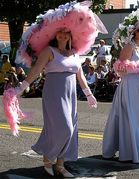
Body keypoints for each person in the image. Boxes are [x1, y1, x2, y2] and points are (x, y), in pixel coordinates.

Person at [5, 2, 107, 177]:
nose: (62, 34)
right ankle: (47, 156)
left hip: (71, 94)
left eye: (65, 32)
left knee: (71, 129)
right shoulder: (49, 51)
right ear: (55, 34)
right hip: (54, 93)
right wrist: (20, 88)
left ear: (71, 34)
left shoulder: (75, 53)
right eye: (59, 31)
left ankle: (60, 164)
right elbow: (36, 72)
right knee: (64, 128)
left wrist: (89, 94)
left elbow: (80, 76)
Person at [102, 8, 139, 163]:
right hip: (129, 86)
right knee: (132, 118)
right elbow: (119, 69)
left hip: (138, 86)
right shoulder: (129, 46)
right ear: (135, 32)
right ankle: (130, 152)